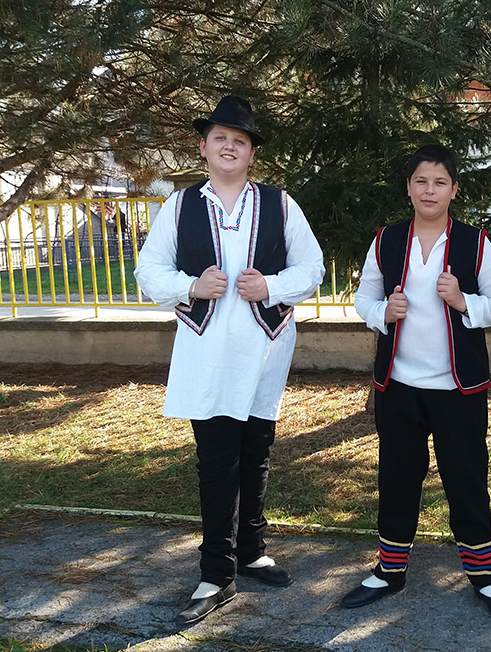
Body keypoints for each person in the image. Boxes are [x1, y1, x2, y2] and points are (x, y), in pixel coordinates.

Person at [134, 95, 325, 628]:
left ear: (251, 153)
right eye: (220, 137)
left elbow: (312, 266)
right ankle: (215, 573)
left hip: (264, 349)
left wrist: (272, 286)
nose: (229, 146)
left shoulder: (280, 204)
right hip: (207, 351)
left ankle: (251, 551)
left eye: (239, 140)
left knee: (256, 452)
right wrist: (191, 286)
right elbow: (149, 271)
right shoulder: (180, 206)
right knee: (217, 461)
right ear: (203, 146)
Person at [343, 144, 491, 624]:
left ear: (454, 190)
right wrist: (383, 312)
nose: (429, 190)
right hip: (398, 384)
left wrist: (464, 302)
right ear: (408, 187)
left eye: (440, 182)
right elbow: (363, 298)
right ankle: (389, 571)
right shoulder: (386, 240)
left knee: (466, 478)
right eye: (421, 181)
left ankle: (486, 576)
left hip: (458, 388)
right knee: (397, 477)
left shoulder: (475, 243)